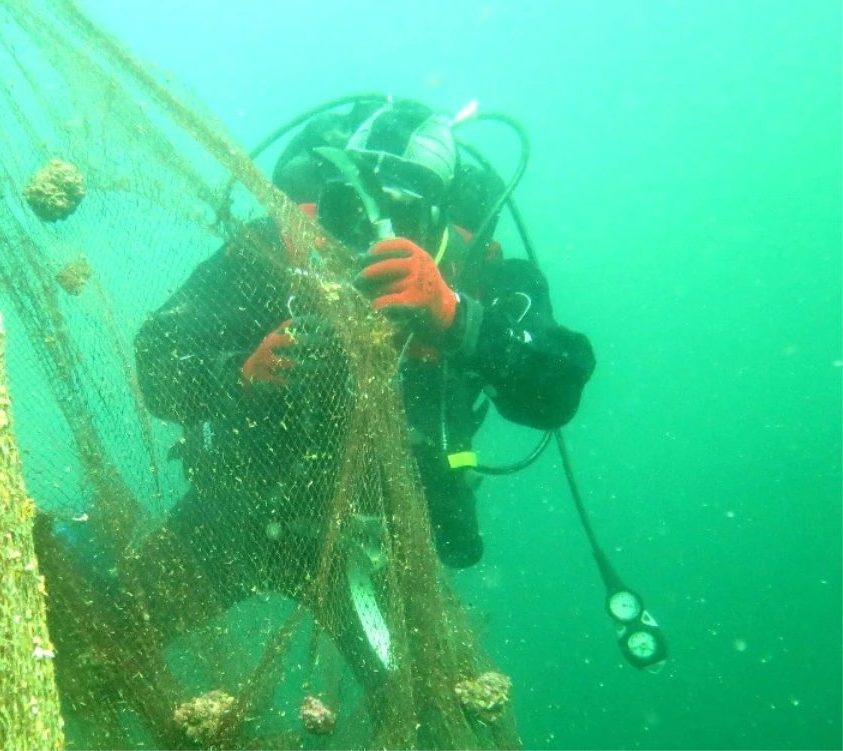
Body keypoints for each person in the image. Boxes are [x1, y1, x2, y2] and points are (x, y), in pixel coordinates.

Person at [126, 97, 595, 718]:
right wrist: (239, 373)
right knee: (108, 638)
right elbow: (158, 359)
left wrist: (458, 318)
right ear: (328, 190)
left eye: (401, 211)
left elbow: (559, 387)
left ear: (438, 215)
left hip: (381, 547)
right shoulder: (276, 245)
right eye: (351, 201)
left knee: (428, 718)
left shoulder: (478, 272)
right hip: (239, 512)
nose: (368, 228)